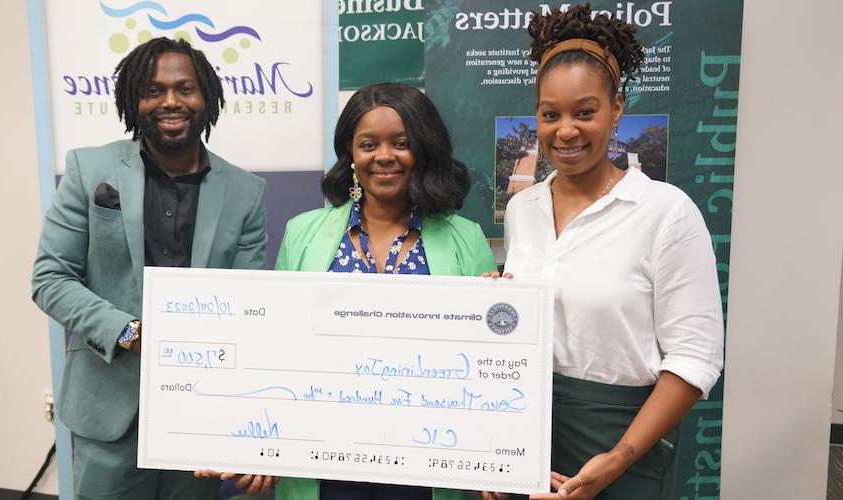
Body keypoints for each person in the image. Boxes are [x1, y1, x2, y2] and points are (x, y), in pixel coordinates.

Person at [485, 5, 724, 500]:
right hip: (529, 430)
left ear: (617, 108)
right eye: (550, 114)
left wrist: (617, 459)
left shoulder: (664, 211)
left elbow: (696, 357)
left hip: (623, 439)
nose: (565, 130)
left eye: (584, 112)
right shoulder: (525, 208)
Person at [31, 37, 267, 500]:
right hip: (110, 408)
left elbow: (250, 308)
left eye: (185, 88)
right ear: (134, 100)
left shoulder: (245, 192)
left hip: (202, 416)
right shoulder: (88, 168)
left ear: (208, 97)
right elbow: (50, 279)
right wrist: (129, 331)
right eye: (154, 90)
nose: (171, 102)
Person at [271, 82, 496, 500]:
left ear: (424, 150)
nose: (385, 156)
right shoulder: (301, 234)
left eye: (402, 142)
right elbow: (278, 349)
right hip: (324, 460)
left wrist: (492, 458)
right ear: (351, 155)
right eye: (368, 144)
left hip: (427, 462)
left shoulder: (468, 239)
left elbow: (489, 366)